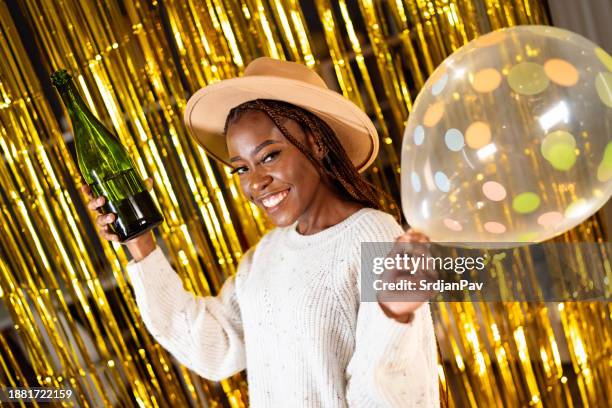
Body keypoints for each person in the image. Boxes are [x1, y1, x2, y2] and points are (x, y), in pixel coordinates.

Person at [83, 57, 439, 407]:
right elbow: (213, 347)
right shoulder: (265, 255)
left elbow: (391, 391)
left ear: (317, 142)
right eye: (240, 169)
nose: (256, 182)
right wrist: (140, 243)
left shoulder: (377, 239)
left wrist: (392, 314)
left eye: (269, 156)